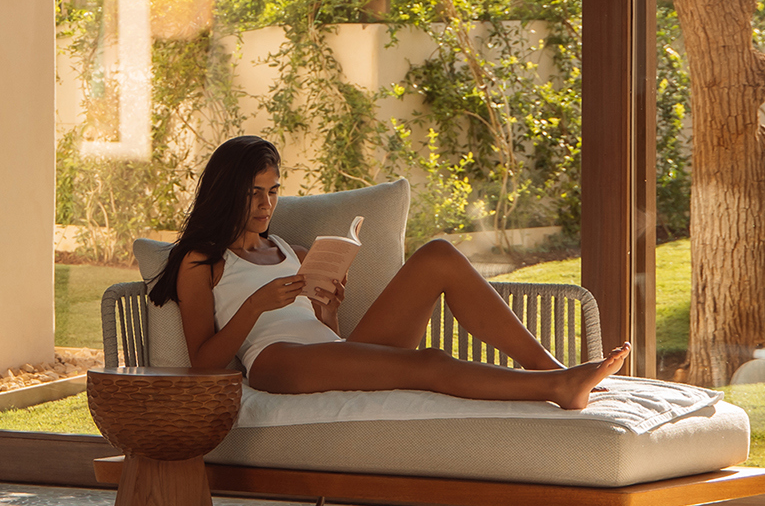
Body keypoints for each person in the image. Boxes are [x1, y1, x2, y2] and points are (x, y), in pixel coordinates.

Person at [149, 135, 628, 410]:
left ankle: (550, 368)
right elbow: (203, 362)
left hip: (327, 350)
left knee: (438, 254)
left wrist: (328, 311)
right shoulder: (202, 260)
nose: (265, 204)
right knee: (430, 362)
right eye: (253, 192)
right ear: (226, 192)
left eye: (273, 191)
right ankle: (558, 389)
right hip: (276, 362)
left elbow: (324, 337)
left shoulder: (287, 248)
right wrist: (256, 304)